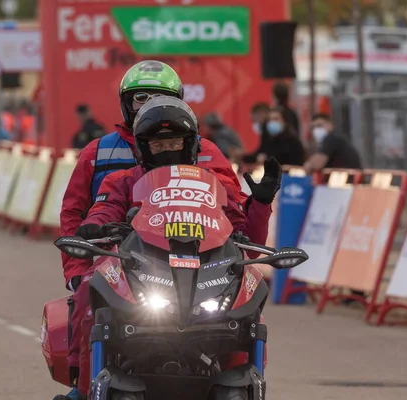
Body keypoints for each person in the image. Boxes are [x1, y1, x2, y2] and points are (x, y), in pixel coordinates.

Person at [57, 61, 281, 399]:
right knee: (88, 292)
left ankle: (243, 374)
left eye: (175, 142)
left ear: (190, 142)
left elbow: (242, 232)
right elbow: (89, 212)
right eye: (156, 144)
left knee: (248, 291)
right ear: (141, 147)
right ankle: (83, 388)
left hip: (204, 266)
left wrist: (260, 204)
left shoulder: (211, 160)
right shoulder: (110, 165)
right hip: (132, 263)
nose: (167, 148)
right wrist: (88, 241)